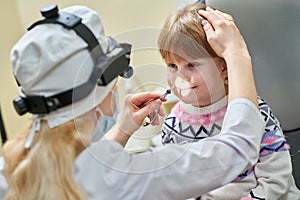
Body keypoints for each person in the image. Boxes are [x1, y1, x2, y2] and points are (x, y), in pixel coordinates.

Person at [0, 4, 266, 200]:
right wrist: (236, 53)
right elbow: (237, 150)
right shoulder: (119, 177)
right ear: (103, 82)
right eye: (172, 65)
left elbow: (85, 169)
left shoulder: (10, 166)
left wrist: (121, 130)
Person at [158, 3, 300, 200]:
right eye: (172, 66)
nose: (180, 76)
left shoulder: (255, 111)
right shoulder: (173, 124)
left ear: (223, 68)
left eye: (191, 65)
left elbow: (276, 179)